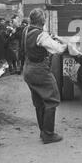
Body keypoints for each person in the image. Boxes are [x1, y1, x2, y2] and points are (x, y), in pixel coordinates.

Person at [22, 8, 68, 144]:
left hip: (28, 68)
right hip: (39, 70)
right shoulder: (41, 35)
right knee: (52, 99)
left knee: (39, 102)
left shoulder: (26, 31)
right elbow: (58, 49)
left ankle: (43, 131)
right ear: (43, 21)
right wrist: (67, 43)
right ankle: (48, 134)